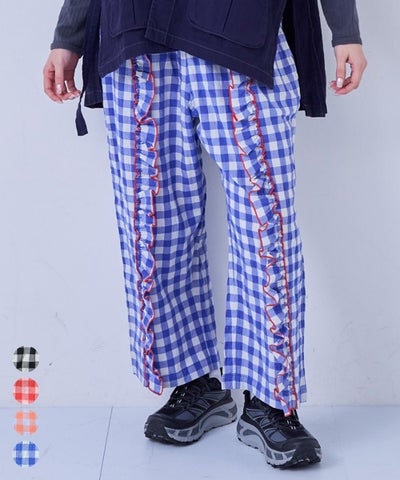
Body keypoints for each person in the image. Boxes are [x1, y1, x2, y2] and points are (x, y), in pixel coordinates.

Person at [43, 0, 367, 469]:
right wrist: (68, 36)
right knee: (152, 222)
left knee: (266, 227)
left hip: (241, 30)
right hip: (136, 36)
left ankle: (270, 399)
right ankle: (193, 382)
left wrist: (345, 29)